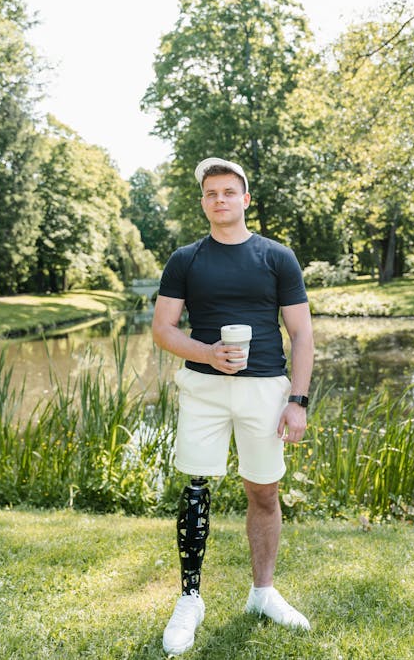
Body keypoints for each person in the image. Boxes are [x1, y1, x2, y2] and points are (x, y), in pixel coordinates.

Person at [152, 157, 314, 655]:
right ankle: (190, 600)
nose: (219, 200)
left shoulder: (277, 257)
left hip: (265, 389)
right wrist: (207, 354)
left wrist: (298, 401)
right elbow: (163, 329)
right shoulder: (185, 259)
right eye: (210, 194)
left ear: (244, 199)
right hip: (203, 388)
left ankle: (262, 593)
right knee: (195, 489)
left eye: (228, 192)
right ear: (202, 203)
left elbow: (302, 334)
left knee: (263, 492)